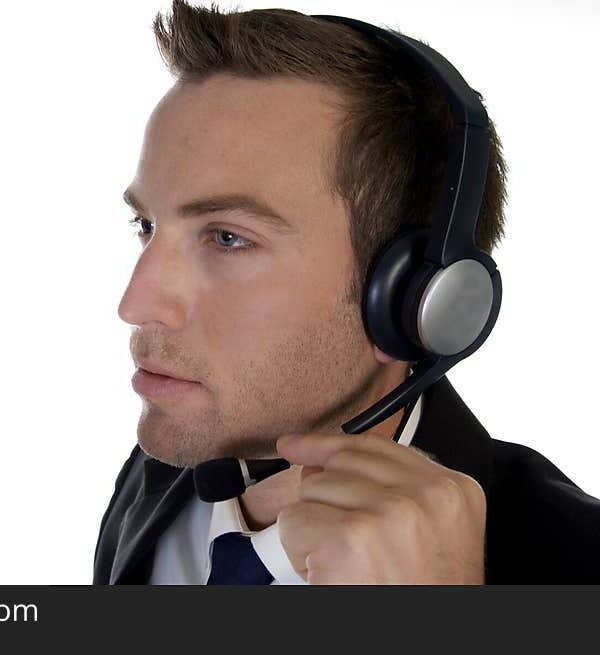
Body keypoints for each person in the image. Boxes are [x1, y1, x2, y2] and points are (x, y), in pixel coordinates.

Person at [93, 0, 600, 584]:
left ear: (413, 301)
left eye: (229, 238)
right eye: (147, 226)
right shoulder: (163, 472)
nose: (136, 304)